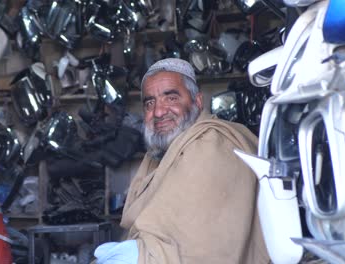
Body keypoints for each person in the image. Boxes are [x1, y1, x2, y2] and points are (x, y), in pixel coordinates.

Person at [94, 58, 269, 264]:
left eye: (171, 98)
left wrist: (141, 256)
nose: (158, 112)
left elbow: (198, 247)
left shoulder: (211, 142)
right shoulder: (161, 153)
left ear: (197, 101)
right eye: (150, 103)